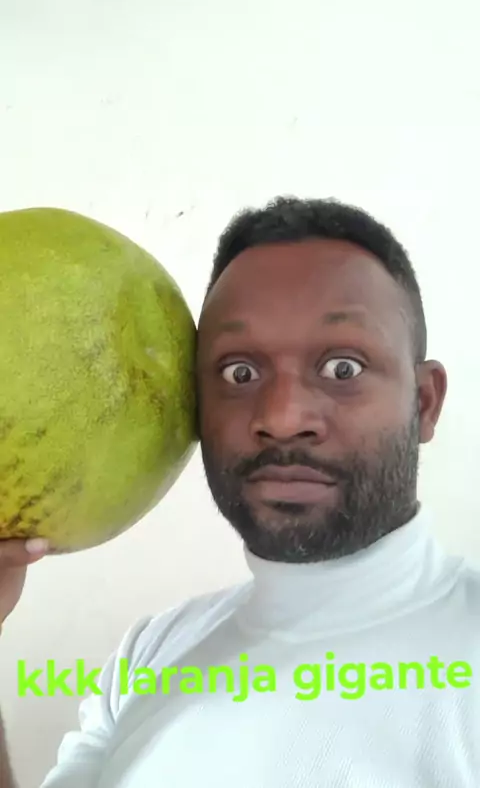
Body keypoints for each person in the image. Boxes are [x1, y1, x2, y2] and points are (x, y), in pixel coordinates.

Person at [1, 195, 479, 787]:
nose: (282, 417)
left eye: (343, 368)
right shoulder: (149, 655)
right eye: (240, 373)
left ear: (425, 402)